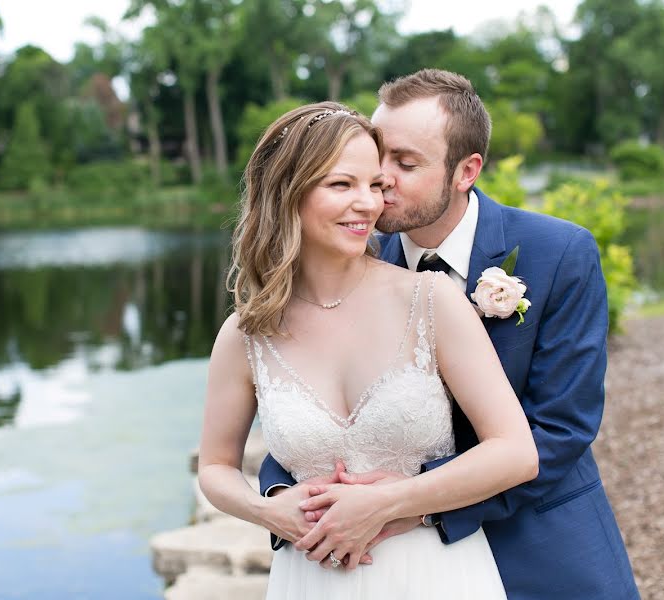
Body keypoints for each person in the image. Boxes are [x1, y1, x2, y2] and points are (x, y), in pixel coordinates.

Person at [259, 70, 640, 599]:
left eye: (405, 163)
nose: (381, 178)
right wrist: (285, 494)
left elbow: (560, 431)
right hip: (390, 566)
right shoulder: (353, 260)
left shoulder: (560, 255)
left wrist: (414, 505)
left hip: (540, 551)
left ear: (466, 171)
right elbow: (315, 403)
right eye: (376, 154)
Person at [197, 100, 540, 598]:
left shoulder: (430, 299)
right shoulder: (245, 334)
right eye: (342, 184)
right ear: (287, 194)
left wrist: (392, 502)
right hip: (309, 577)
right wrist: (268, 510)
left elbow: (516, 453)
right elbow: (215, 468)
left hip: (433, 575)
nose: (369, 204)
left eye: (375, 185)